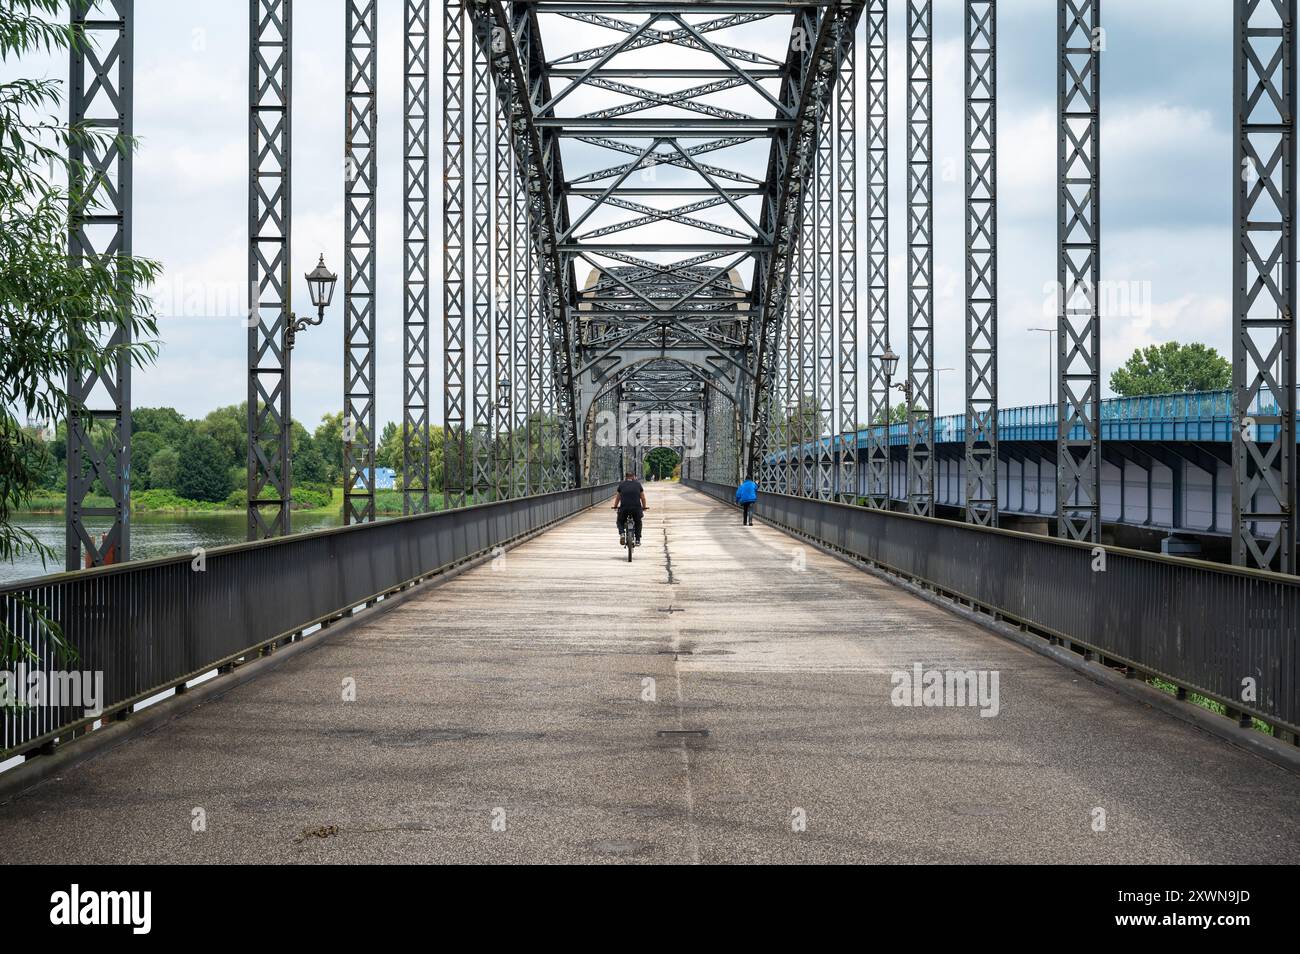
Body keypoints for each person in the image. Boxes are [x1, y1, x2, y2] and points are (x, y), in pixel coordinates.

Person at [611, 471, 647, 546]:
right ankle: (637, 540)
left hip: (624, 508)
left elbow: (618, 498)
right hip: (636, 508)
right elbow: (643, 498)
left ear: (625, 477)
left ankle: (622, 534)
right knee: (638, 522)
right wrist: (644, 507)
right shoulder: (638, 484)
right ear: (633, 476)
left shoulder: (621, 485)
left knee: (619, 521)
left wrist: (615, 506)